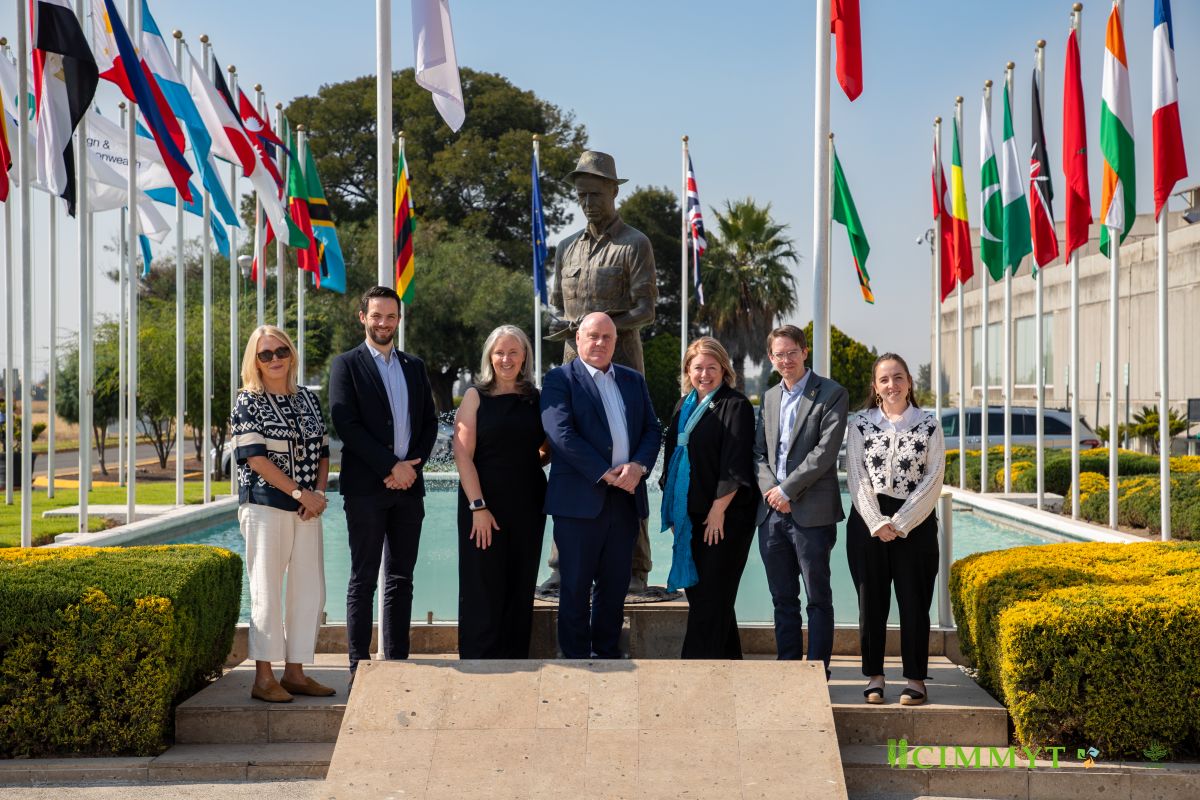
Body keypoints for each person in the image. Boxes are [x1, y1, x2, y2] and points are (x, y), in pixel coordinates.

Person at [543, 150, 658, 593]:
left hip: (623, 367)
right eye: (581, 194)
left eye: (596, 192)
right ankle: (561, 565)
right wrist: (568, 331)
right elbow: (557, 305)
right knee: (568, 458)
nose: (588, 201)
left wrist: (601, 329)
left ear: (614, 191)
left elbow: (646, 310)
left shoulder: (635, 243)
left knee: (630, 466)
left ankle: (636, 570)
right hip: (572, 372)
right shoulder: (566, 248)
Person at [329, 286, 438, 680]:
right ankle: (358, 666)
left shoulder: (415, 366)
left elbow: (428, 422)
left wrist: (412, 466)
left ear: (398, 320)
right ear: (363, 317)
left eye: (390, 316)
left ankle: (397, 661)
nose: (383, 323)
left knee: (401, 578)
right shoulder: (346, 365)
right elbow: (346, 425)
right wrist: (390, 466)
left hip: (410, 489)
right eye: (376, 316)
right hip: (366, 490)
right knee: (362, 579)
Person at [540, 312, 661, 658]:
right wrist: (604, 473)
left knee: (614, 585)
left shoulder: (632, 380)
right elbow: (560, 433)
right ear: (578, 339)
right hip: (579, 502)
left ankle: (606, 652)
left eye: (607, 337)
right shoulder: (559, 380)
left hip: (624, 500)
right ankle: (576, 656)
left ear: (615, 342)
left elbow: (652, 430)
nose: (600, 343)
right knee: (575, 585)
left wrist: (638, 466)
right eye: (592, 336)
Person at [230, 325, 333, 702]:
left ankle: (296, 672)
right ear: (254, 361)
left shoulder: (308, 398)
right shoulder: (248, 401)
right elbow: (255, 459)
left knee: (309, 590)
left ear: (291, 354)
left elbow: (323, 454)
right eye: (265, 354)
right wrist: (299, 492)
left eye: (280, 351)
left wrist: (317, 494)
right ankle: (263, 678)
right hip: (264, 506)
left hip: (308, 508)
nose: (274, 359)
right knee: (267, 591)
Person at [846, 353, 944, 706]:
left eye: (898, 377)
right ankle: (875, 677)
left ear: (909, 383)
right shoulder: (860, 424)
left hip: (914, 525)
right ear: (875, 387)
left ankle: (915, 680)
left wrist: (900, 523)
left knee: (914, 603)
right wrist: (876, 522)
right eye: (885, 379)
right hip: (868, 523)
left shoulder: (929, 424)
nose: (892, 385)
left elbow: (934, 478)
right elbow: (856, 475)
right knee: (870, 602)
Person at [754, 324, 848, 675]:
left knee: (817, 597)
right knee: (782, 598)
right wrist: (773, 492)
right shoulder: (769, 397)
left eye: (792, 352)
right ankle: (789, 667)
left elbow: (825, 452)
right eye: (779, 354)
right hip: (771, 515)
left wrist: (787, 490)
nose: (786, 359)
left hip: (811, 513)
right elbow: (758, 453)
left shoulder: (831, 393)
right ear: (771, 358)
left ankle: (817, 669)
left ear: (804, 352)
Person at [454, 325, 549, 658]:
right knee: (483, 584)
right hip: (482, 503)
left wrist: (523, 462)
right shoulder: (474, 397)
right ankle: (479, 664)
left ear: (524, 356)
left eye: (513, 352)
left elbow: (546, 448)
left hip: (528, 503)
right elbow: (462, 454)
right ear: (489, 357)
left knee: (519, 583)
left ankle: (515, 662)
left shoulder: (536, 398)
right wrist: (478, 507)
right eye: (499, 352)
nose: (506, 359)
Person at [660, 337, 757, 659]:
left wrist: (717, 511)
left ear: (723, 369)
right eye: (698, 367)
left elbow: (735, 462)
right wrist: (675, 514)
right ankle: (730, 666)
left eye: (711, 368)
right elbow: (671, 458)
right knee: (709, 598)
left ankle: (694, 670)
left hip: (725, 520)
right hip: (690, 519)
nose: (705, 374)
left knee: (710, 599)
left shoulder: (736, 405)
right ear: (688, 370)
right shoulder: (682, 407)